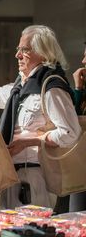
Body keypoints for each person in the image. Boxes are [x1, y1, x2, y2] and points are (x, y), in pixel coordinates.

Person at [0, 25, 81, 209]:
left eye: (25, 50)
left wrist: (29, 141)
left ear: (43, 52)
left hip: (34, 178)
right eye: (18, 49)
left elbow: (71, 133)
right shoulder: (22, 84)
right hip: (10, 175)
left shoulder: (51, 87)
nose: (18, 55)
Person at [69, 42, 86, 212]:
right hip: (81, 167)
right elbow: (71, 121)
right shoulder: (83, 91)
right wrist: (78, 89)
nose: (83, 61)